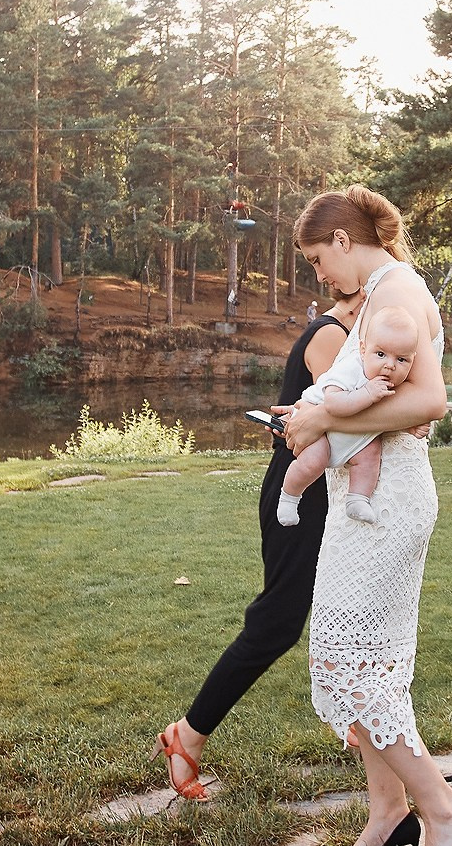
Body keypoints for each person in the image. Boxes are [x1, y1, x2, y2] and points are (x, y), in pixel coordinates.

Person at [277, 186, 452, 846]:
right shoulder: (384, 290)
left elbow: (431, 401)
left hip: (385, 502)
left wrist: (322, 430)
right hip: (375, 496)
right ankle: (387, 810)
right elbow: (380, 394)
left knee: (344, 663)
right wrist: (310, 417)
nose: (318, 275)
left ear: (342, 240)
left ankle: (443, 807)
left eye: (316, 259)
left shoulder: (395, 287)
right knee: (374, 665)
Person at [149, 287, 364, 802]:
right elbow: (348, 423)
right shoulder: (332, 337)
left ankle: (373, 730)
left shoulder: (344, 337)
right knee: (277, 622)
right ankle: (188, 734)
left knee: (354, 610)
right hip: (302, 495)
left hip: (312, 491)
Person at [276, 305, 422, 527]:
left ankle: (357, 499)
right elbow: (333, 404)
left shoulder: (392, 383)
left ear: (413, 360)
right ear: (363, 350)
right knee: (314, 461)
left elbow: (386, 416)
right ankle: (289, 497)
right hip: (318, 423)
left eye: (401, 360)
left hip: (350, 431)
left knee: (371, 453)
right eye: (381, 354)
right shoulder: (352, 367)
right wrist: (367, 393)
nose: (389, 365)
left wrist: (411, 425)